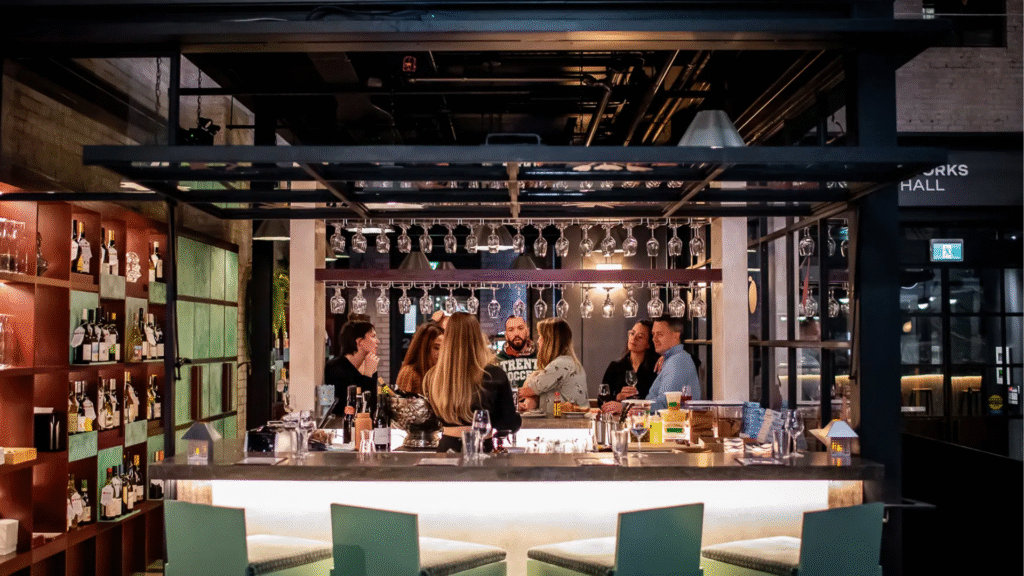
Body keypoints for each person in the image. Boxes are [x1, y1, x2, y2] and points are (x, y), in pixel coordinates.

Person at [423, 312, 521, 452]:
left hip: (446, 450)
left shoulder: (433, 376)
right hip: (481, 449)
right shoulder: (494, 374)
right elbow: (508, 423)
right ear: (478, 337)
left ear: (447, 338)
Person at [601, 316, 699, 414]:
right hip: (665, 425)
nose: (654, 339)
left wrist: (626, 407)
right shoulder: (671, 360)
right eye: (653, 334)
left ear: (676, 336)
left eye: (660, 334)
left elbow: (667, 404)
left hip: (674, 429)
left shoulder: (678, 361)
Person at [518, 318, 589, 415]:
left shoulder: (560, 365)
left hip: (566, 426)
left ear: (550, 340)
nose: (538, 341)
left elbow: (529, 389)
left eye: (540, 336)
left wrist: (504, 397)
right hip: (569, 425)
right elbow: (539, 393)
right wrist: (529, 402)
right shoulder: (568, 362)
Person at [325, 320, 380, 416]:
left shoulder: (367, 365)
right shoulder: (335, 367)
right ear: (359, 342)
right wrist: (367, 375)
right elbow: (349, 408)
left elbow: (372, 406)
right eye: (373, 336)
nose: (377, 341)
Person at [600, 320, 658, 402]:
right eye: (632, 333)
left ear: (649, 344)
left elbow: (661, 399)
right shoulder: (615, 366)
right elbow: (600, 400)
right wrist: (618, 397)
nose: (634, 338)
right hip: (621, 414)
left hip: (646, 413)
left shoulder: (655, 368)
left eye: (640, 336)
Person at [395, 322, 445, 396]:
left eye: (444, 348)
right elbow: (402, 403)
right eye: (436, 348)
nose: (441, 353)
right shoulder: (410, 372)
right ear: (424, 349)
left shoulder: (442, 373)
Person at [495, 315, 537, 390]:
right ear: (506, 335)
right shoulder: (496, 361)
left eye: (520, 328)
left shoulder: (541, 358)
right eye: (511, 330)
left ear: (527, 332)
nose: (516, 333)